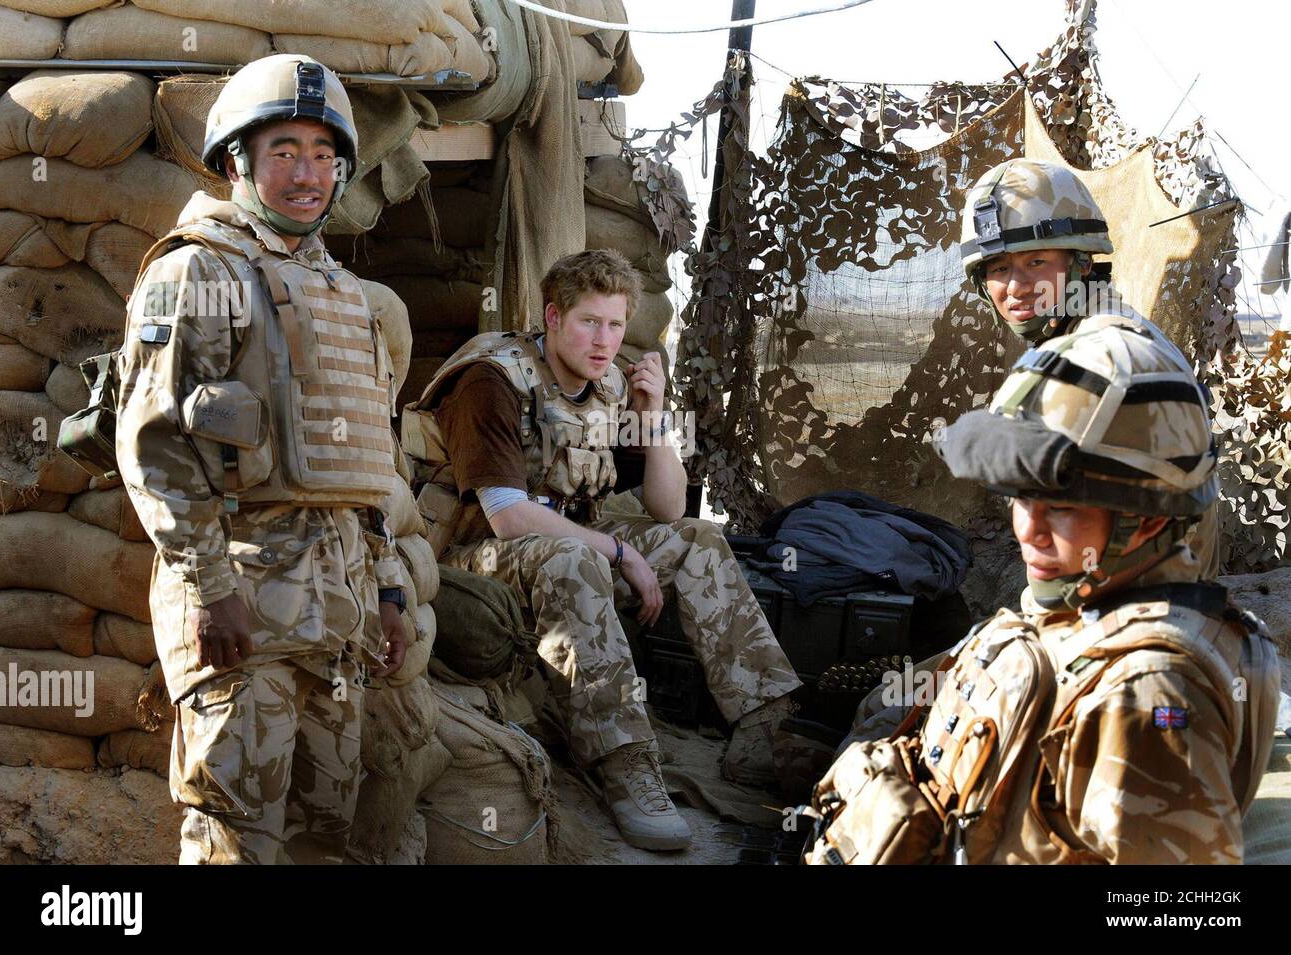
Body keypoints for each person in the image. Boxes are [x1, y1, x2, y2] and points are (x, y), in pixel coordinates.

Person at [807, 322, 1279, 864]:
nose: (1027, 530)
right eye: (1019, 497)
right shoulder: (1083, 609)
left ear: (1145, 521)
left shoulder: (1151, 694)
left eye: (1061, 507)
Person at [114, 54, 410, 864]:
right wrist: (211, 592)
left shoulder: (343, 293)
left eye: (323, 153)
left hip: (336, 620)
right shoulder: (198, 270)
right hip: (243, 614)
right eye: (283, 150)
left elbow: (368, 463)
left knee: (323, 839)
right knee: (234, 841)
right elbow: (155, 446)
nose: (307, 173)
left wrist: (385, 586)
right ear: (239, 159)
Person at [405, 249, 802, 851]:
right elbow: (509, 517)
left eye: (616, 325)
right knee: (575, 557)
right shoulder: (491, 379)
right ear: (553, 317)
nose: (604, 341)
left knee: (698, 539)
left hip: (569, 547)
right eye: (590, 322)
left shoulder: (610, 383)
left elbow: (670, 510)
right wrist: (620, 553)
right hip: (467, 560)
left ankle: (762, 726)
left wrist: (654, 417)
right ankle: (625, 763)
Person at [960, 157, 1220, 577]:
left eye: (1036, 262)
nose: (1016, 285)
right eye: (999, 268)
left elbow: (1077, 555)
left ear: (1082, 262)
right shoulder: (1102, 326)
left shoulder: (1095, 356)